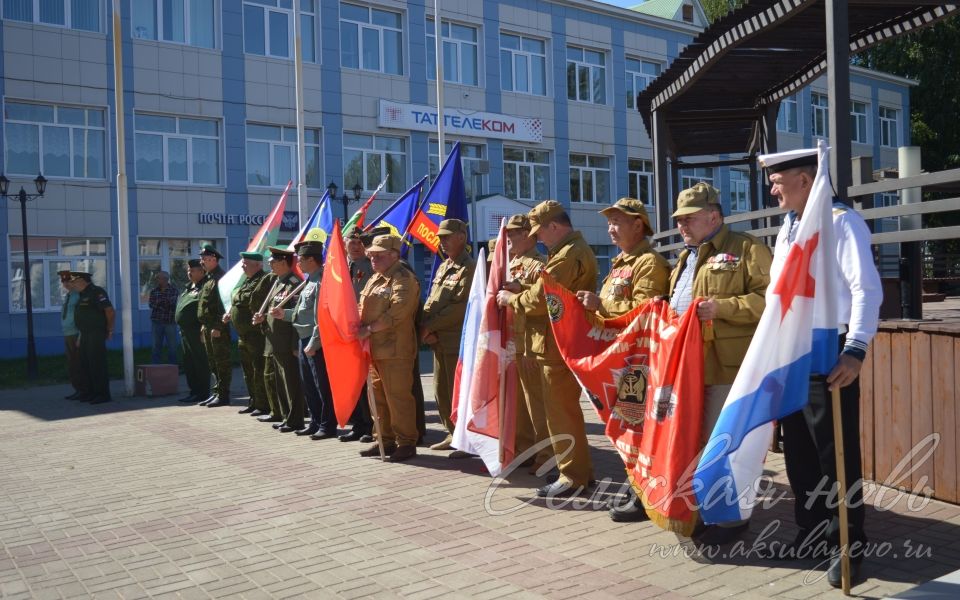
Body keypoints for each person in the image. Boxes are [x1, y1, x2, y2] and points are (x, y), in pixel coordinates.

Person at [760, 148, 882, 588]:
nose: (772, 188)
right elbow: (778, 297)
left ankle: (847, 545)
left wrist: (856, 350)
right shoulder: (788, 227)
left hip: (829, 353)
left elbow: (866, 289)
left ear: (806, 179)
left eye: (778, 180)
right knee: (799, 454)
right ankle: (811, 534)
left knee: (836, 456)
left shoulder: (841, 222)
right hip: (790, 355)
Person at [667, 183, 772, 544]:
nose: (682, 225)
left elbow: (769, 301)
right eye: (679, 219)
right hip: (689, 367)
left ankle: (730, 521)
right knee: (696, 441)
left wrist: (722, 308)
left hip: (728, 365)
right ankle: (702, 509)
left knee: (724, 445)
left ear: (714, 216)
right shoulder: (686, 256)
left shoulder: (746, 248)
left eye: (690, 218)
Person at [576, 198, 671, 522]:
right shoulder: (621, 263)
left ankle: (643, 494)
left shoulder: (650, 263)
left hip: (639, 362)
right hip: (622, 361)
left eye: (617, 222)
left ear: (638, 224)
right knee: (628, 425)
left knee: (637, 425)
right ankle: (636, 487)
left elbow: (643, 311)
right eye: (609, 223)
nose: (610, 229)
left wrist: (599, 305)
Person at [496, 200, 598, 498]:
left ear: (556, 226)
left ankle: (573, 476)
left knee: (561, 414)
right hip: (554, 342)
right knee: (560, 413)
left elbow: (543, 300)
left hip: (558, 344)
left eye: (540, 231)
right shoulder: (565, 252)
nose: (537, 237)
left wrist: (512, 300)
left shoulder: (568, 255)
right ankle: (577, 471)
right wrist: (523, 291)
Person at [357, 234, 421, 462]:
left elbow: (398, 311)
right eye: (371, 255)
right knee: (378, 398)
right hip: (374, 350)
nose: (373, 258)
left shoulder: (403, 278)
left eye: (378, 255)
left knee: (398, 398)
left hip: (395, 350)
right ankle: (384, 440)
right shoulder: (375, 278)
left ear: (394, 255)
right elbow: (362, 306)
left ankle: (406, 443)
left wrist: (370, 329)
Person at [272, 230, 337, 439]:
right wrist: (284, 314)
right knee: (308, 384)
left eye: (300, 259)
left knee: (321, 385)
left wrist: (314, 343)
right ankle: (316, 422)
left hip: (314, 340)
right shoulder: (308, 281)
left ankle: (327, 425)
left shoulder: (321, 282)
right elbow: (303, 312)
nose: (297, 262)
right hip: (304, 338)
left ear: (311, 259)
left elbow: (321, 317)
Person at [500, 215, 551, 474]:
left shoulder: (539, 264)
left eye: (514, 234)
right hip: (512, 341)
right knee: (518, 402)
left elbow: (542, 301)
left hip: (531, 340)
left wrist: (518, 291)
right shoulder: (512, 263)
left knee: (536, 402)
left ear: (528, 235)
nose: (509, 239)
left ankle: (545, 454)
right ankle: (523, 448)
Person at [421, 219, 475, 451]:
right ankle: (452, 434)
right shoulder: (444, 266)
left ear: (461, 237)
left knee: (458, 392)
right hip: (438, 341)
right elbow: (433, 301)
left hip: (455, 342)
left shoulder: (469, 267)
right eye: (440, 237)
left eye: (446, 237)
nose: (441, 241)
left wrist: (430, 326)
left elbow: (460, 307)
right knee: (441, 391)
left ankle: (465, 439)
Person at [254, 247, 304, 430]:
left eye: (273, 262)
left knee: (291, 383)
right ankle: (286, 416)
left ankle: (295, 419)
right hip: (274, 341)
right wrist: (261, 318)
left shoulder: (294, 283)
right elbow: (273, 311)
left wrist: (294, 344)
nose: (270, 265)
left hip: (286, 342)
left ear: (283, 262)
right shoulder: (278, 281)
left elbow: (297, 316)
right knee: (281, 382)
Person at [339, 230, 374, 442]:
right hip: (348, 332)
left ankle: (371, 426)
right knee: (354, 381)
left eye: (360, 242)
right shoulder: (343, 268)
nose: (356, 246)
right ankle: (359, 424)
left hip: (364, 330)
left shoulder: (370, 266)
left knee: (367, 381)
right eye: (352, 242)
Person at [226, 252, 270, 416]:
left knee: (258, 370)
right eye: (242, 263)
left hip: (256, 335)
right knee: (248, 371)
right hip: (244, 335)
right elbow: (238, 302)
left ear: (257, 265)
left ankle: (263, 404)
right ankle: (253, 401)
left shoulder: (263, 280)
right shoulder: (247, 281)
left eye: (246, 263)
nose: (242, 266)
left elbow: (255, 302)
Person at [71, 272, 115, 404]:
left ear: (83, 281)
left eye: (75, 282)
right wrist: (80, 336)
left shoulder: (97, 292)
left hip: (96, 333)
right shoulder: (82, 294)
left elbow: (109, 311)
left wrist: (110, 329)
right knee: (86, 364)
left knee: (97, 364)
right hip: (85, 333)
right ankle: (90, 393)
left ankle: (102, 394)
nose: (73, 284)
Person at [196, 243, 232, 407]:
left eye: (205, 259)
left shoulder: (220, 278)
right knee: (212, 361)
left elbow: (224, 305)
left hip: (218, 328)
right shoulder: (209, 278)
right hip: (208, 326)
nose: (202, 262)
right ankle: (217, 391)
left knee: (221, 361)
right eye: (201, 259)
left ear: (214, 260)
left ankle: (223, 395)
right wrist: (204, 325)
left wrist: (218, 326)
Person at [176, 259, 211, 404]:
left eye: (193, 270)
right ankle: (194, 391)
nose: (189, 273)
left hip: (197, 332)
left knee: (200, 363)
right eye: (188, 270)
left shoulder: (205, 287)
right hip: (185, 332)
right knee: (189, 363)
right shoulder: (189, 287)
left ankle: (203, 393)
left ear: (202, 271)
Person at [59, 270, 88, 400]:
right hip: (67, 333)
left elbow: (82, 317)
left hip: (75, 333)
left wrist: (81, 336)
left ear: (73, 282)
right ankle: (77, 389)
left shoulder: (77, 296)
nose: (66, 284)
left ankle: (83, 390)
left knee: (77, 363)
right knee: (72, 363)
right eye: (64, 282)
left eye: (68, 281)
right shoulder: (68, 296)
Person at [148, 271, 179, 364]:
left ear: (165, 279)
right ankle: (155, 367)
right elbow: (151, 304)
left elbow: (171, 303)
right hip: (156, 322)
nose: (157, 280)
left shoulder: (174, 290)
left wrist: (159, 303)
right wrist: (163, 302)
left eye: (158, 278)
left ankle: (172, 368)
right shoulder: (154, 291)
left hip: (170, 322)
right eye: (157, 278)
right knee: (155, 346)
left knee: (172, 346)